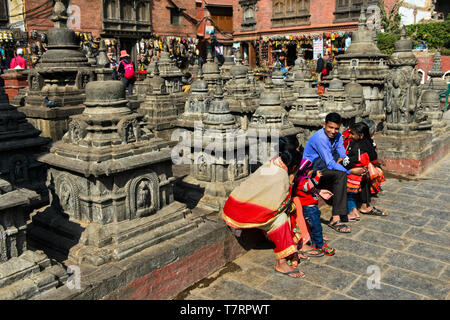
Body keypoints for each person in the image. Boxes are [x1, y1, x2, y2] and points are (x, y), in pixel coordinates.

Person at [222, 139, 307, 278]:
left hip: (232, 206)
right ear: (294, 167)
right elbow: (279, 206)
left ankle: (291, 249)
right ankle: (282, 262)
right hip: (240, 214)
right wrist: (291, 180)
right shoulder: (281, 178)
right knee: (282, 219)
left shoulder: (271, 163)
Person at [302, 112, 367, 233]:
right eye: (330, 127)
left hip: (324, 167)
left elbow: (342, 155)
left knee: (352, 171)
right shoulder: (320, 138)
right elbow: (330, 163)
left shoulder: (337, 136)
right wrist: (351, 170)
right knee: (342, 174)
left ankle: (347, 212)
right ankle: (336, 218)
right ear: (324, 125)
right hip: (312, 170)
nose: (333, 131)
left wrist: (353, 165)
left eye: (336, 128)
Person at [343, 122, 388, 220]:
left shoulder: (357, 147)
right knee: (364, 185)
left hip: (354, 174)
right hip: (364, 172)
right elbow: (373, 157)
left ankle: (352, 212)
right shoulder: (368, 142)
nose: (350, 135)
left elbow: (350, 161)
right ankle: (365, 206)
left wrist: (341, 163)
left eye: (353, 134)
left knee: (349, 193)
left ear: (361, 135)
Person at [294, 159, 336, 256]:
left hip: (312, 207)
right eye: (310, 170)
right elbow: (307, 187)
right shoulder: (301, 180)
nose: (312, 172)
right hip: (309, 208)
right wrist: (316, 178)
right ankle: (319, 244)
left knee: (314, 226)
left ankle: (315, 242)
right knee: (316, 226)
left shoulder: (304, 178)